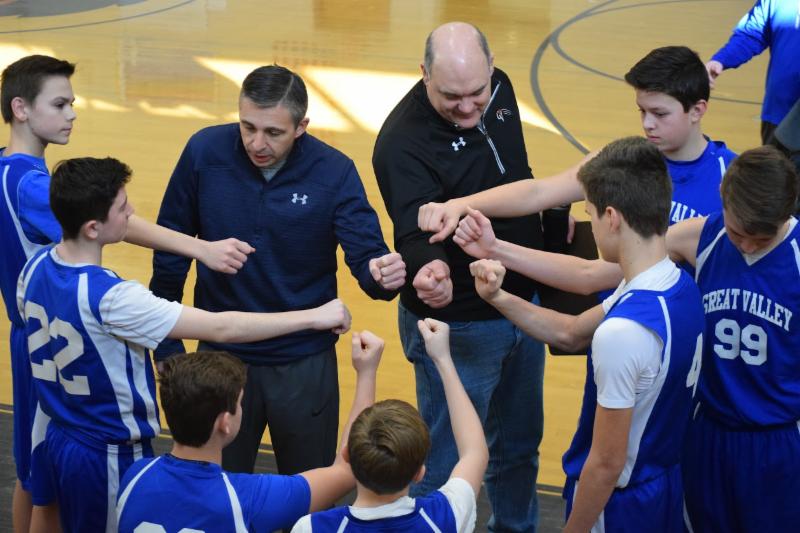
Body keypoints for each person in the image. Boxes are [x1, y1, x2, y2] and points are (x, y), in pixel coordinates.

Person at [458, 145, 800, 532]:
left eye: (762, 238)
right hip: (698, 436)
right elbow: (587, 285)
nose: (748, 246)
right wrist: (496, 256)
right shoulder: (689, 257)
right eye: (740, 233)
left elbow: (607, 463)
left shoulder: (633, 322)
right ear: (722, 198)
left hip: (771, 440)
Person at [17, 156, 353, 533]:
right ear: (93, 227)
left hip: (56, 430)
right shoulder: (112, 299)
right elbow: (222, 327)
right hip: (107, 448)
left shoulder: (34, 267)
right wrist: (312, 317)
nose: (132, 212)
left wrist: (200, 249)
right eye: (123, 208)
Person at [0, 54, 254, 533]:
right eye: (60, 104)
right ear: (21, 109)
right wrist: (200, 247)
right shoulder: (32, 185)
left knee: (37, 472)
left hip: (32, 326)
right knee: (45, 477)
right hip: (60, 332)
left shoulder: (5, 168)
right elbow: (120, 223)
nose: (72, 113)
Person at [149, 64, 404, 478]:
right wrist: (165, 341)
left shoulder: (334, 171)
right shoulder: (204, 152)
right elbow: (172, 246)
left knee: (310, 492)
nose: (256, 143)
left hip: (303, 363)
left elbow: (368, 257)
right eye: (247, 127)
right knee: (217, 489)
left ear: (302, 126)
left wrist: (381, 274)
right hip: (220, 358)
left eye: (273, 132)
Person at [372, 21, 566, 531]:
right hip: (460, 326)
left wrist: (546, 226)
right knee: (444, 463)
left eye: (477, 92)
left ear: (492, 67)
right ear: (424, 74)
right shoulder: (399, 143)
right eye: (451, 97)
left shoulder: (500, 88)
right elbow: (414, 232)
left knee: (519, 447)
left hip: (521, 305)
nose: (467, 107)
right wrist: (428, 270)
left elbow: (517, 176)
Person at [468, 137, 705, 532]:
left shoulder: (622, 333)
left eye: (590, 214)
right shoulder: (677, 285)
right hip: (665, 488)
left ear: (611, 217)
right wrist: (498, 297)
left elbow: (607, 463)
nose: (590, 226)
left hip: (619, 506)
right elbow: (570, 333)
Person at [418, 45, 735, 243]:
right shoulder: (625, 160)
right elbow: (538, 193)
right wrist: (458, 205)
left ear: (697, 110)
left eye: (660, 114)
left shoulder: (732, 176)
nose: (647, 123)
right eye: (642, 111)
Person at [117, 330, 383, 532]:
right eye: (239, 403)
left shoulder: (135, 475)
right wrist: (367, 372)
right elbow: (348, 468)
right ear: (225, 422)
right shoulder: (251, 499)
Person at [292, 318, 488, 533]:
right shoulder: (446, 516)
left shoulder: (311, 527)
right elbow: (474, 452)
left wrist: (366, 374)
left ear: (346, 454)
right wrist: (443, 359)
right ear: (419, 473)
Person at [706, 0, 800, 145]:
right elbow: (752, 34)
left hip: (783, 113)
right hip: (780, 115)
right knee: (776, 159)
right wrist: (721, 60)